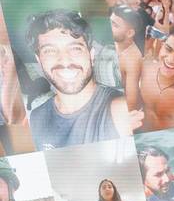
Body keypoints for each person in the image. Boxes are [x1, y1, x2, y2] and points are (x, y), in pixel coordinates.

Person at [24, 10, 138, 150]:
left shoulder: (120, 110)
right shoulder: (36, 117)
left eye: (75, 49)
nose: (65, 61)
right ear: (39, 60)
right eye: (50, 51)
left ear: (91, 55)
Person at [107, 6, 146, 111]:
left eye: (115, 25)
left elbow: (131, 103)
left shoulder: (132, 59)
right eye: (110, 22)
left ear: (130, 33)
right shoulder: (115, 41)